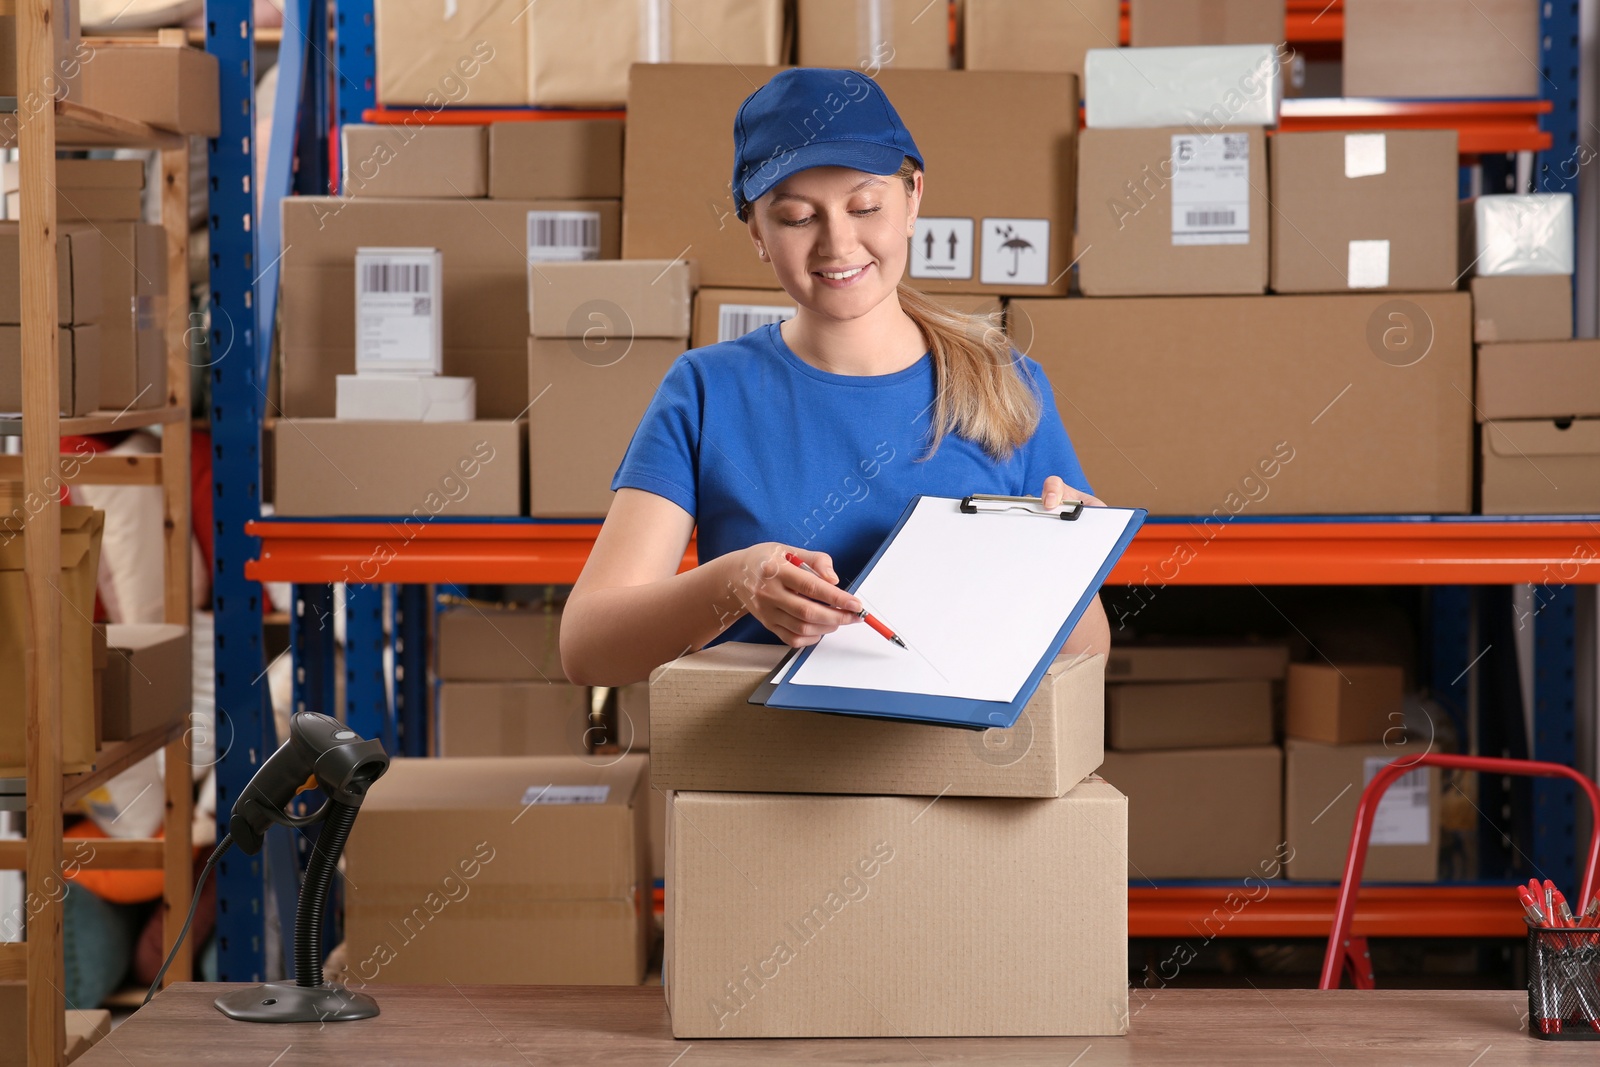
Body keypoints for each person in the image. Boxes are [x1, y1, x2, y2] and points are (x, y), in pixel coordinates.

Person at [561, 68, 1107, 687]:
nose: (838, 243)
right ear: (757, 234)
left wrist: (1066, 562)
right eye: (797, 218)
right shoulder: (708, 392)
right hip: (767, 769)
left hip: (956, 767)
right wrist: (736, 583)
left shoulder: (1004, 383)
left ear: (914, 200)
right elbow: (587, 649)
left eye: (865, 206)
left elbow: (1084, 659)